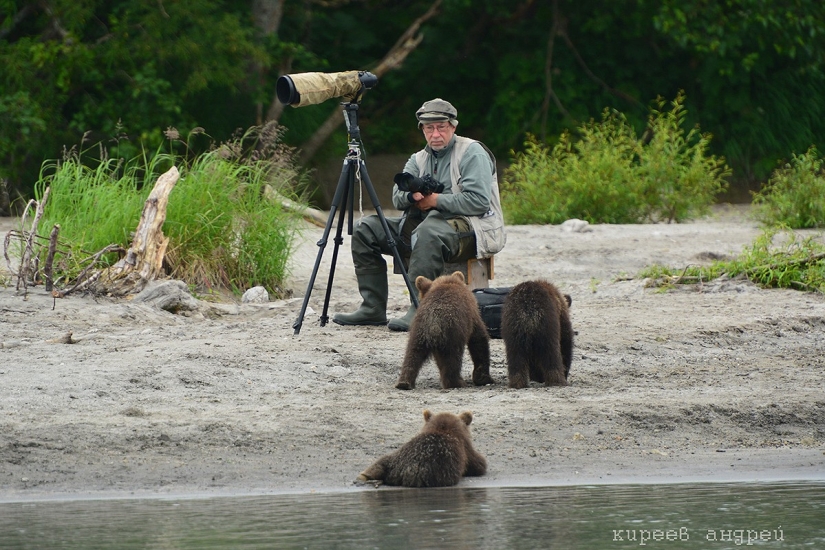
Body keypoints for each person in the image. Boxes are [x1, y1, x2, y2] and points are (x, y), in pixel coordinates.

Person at [332, 98, 506, 332]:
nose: (435, 134)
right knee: (366, 228)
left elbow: (478, 201)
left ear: (453, 126)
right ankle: (372, 307)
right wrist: (413, 197)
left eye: (441, 127)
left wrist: (435, 200)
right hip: (426, 226)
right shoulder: (418, 158)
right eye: (429, 128)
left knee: (428, 231)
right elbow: (396, 196)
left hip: (473, 229)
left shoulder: (471, 152)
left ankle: (419, 308)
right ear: (422, 129)